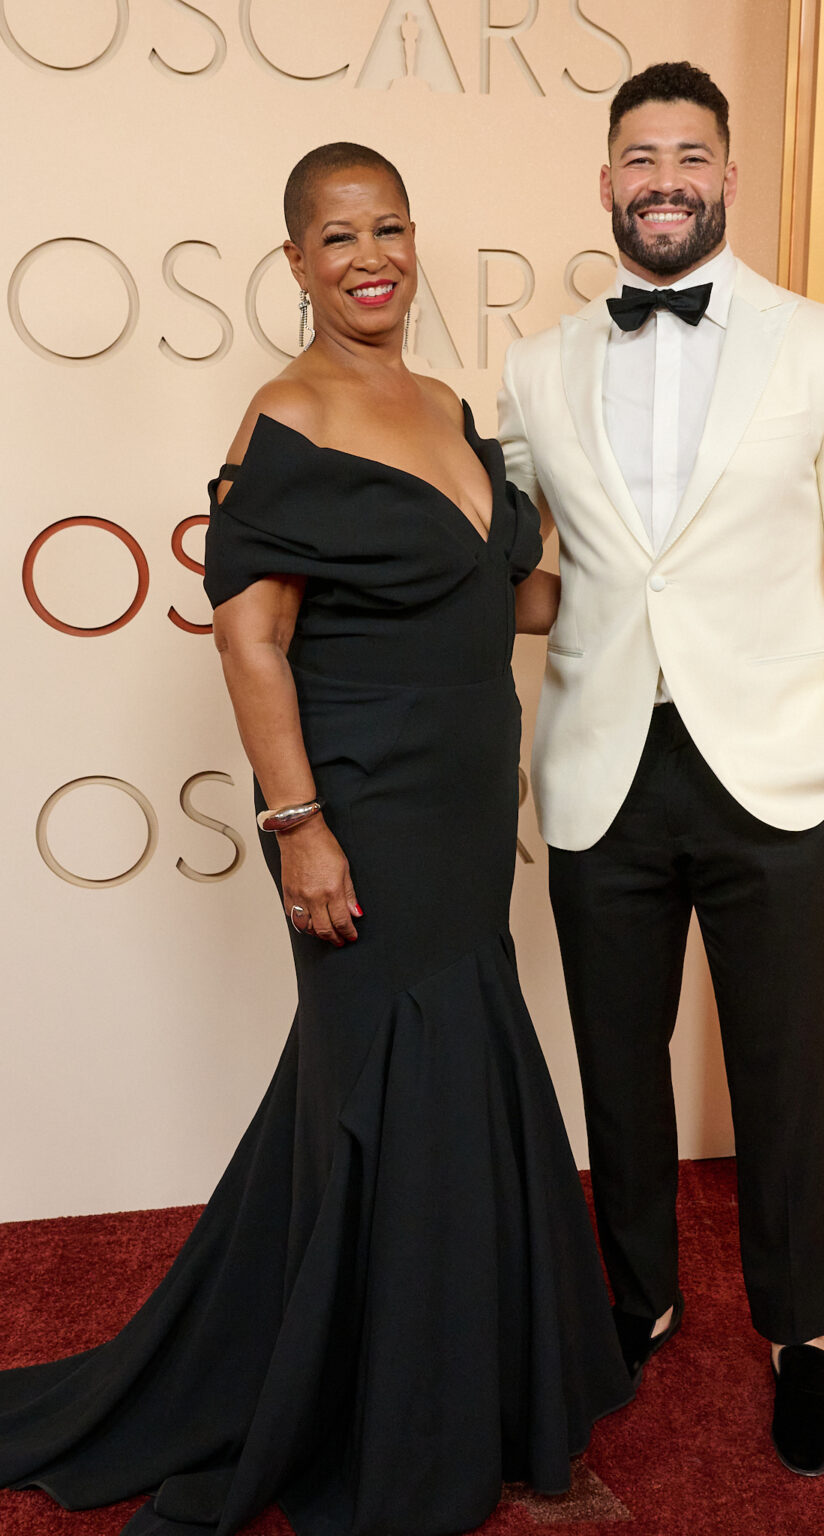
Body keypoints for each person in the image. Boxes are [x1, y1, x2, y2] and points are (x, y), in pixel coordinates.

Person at [0, 143, 633, 1536]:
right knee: (399, 1107)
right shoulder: (284, 415)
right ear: (294, 263)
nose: (370, 258)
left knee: (442, 1096)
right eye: (338, 237)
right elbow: (254, 638)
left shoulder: (448, 405)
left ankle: (472, 1405)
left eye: (390, 228)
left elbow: (509, 603)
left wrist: (656, 571)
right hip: (361, 809)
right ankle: (417, 1445)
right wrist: (299, 827)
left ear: (417, 240)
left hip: (464, 815)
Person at [498, 61, 824, 1477]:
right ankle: (643, 1296)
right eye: (638, 155)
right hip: (601, 766)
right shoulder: (539, 365)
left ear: (728, 178)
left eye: (689, 153)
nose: (663, 176)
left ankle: (802, 1334)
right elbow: (515, 563)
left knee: (784, 1070)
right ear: (606, 181)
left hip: (782, 776)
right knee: (616, 1069)